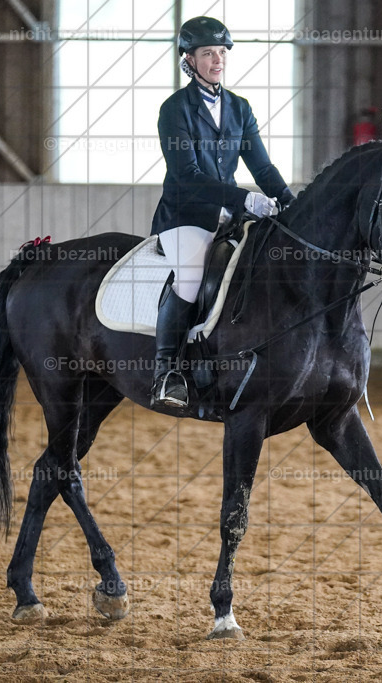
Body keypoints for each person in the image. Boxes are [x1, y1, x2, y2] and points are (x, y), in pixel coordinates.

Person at [150, 16, 296, 408]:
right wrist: (243, 199)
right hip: (187, 217)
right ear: (189, 59)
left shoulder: (239, 108)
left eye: (222, 53)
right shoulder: (174, 110)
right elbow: (188, 176)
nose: (218, 61)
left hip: (232, 217)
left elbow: (261, 167)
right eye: (208, 53)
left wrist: (290, 202)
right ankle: (167, 374)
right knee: (190, 277)